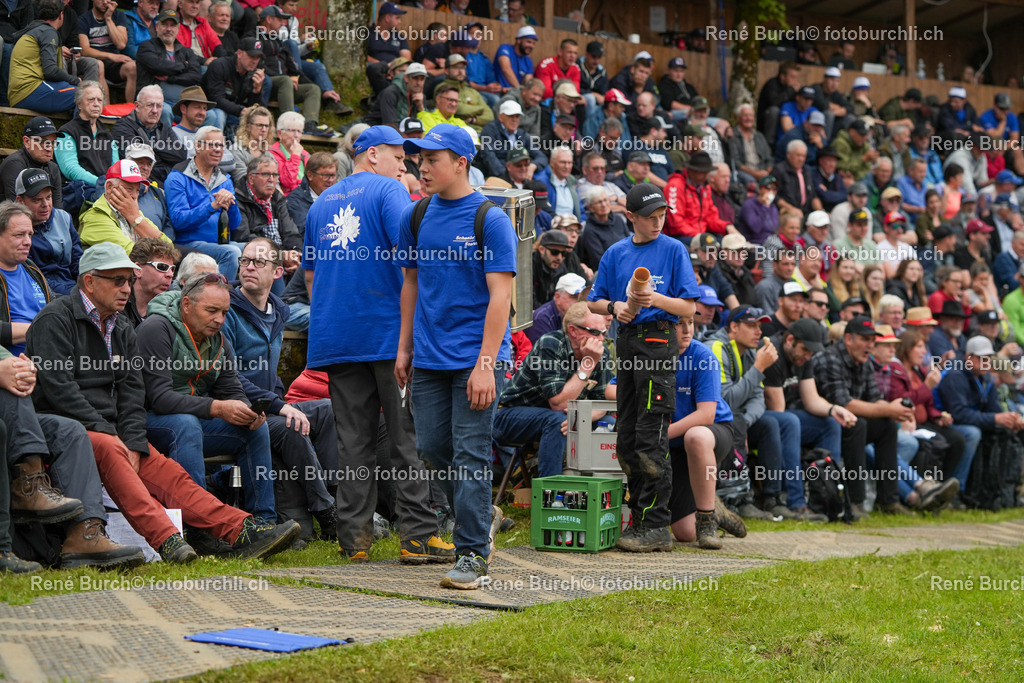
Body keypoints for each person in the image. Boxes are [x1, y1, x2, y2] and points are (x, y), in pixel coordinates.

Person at [27, 242, 300, 561]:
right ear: (89, 281)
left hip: (111, 431)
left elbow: (132, 393)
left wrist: (132, 439)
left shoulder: (121, 326)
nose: (126, 289)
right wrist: (115, 436)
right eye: (118, 280)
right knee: (128, 444)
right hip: (66, 428)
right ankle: (169, 540)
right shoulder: (55, 319)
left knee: (169, 474)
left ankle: (242, 529)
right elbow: (61, 392)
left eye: (129, 280)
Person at [303, 126, 452, 558]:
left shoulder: (320, 204)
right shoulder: (389, 193)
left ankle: (355, 542)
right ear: (372, 155)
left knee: (354, 442)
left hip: (336, 337)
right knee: (408, 436)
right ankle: (419, 538)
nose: (405, 165)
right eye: (399, 157)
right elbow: (414, 257)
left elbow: (311, 277)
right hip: (388, 336)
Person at [395, 124, 515, 588]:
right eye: (419, 159)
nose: (422, 167)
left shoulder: (491, 219)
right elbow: (411, 283)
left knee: (469, 454)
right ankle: (480, 513)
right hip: (427, 357)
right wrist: (404, 347)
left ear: (461, 162)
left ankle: (471, 554)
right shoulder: (417, 215)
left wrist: (486, 364)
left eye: (433, 159)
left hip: (476, 359)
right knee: (431, 449)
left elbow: (500, 299)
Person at [587, 183, 701, 551]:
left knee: (652, 436)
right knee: (628, 437)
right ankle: (637, 519)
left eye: (662, 216)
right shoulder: (615, 253)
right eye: (650, 217)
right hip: (626, 340)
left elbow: (688, 308)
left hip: (658, 340)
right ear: (631, 217)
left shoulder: (674, 249)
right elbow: (593, 302)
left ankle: (655, 525)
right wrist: (613, 308)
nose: (657, 223)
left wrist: (657, 298)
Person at [221, 238, 338, 539]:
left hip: (270, 405)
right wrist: (278, 404)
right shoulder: (227, 311)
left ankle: (338, 495)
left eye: (258, 262)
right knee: (290, 425)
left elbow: (268, 370)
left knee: (327, 410)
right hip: (238, 409)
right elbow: (228, 376)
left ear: (277, 272)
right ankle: (326, 512)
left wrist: (280, 399)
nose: (248, 267)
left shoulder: (280, 311)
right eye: (245, 261)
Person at [138, 272, 277, 522]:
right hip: (148, 421)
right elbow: (159, 398)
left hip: (192, 419)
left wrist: (247, 411)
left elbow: (231, 389)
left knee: (256, 429)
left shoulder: (219, 340)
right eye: (211, 310)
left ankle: (263, 522)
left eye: (224, 313)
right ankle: (202, 524)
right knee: (186, 424)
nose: (219, 320)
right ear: (187, 305)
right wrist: (217, 408)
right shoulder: (156, 328)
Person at [494, 301, 611, 477]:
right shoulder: (551, 343)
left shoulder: (600, 351)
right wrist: (588, 364)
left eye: (603, 333)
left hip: (560, 416)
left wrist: (582, 417)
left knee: (609, 421)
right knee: (557, 421)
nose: (600, 340)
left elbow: (604, 401)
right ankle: (551, 495)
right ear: (573, 330)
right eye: (594, 332)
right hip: (509, 417)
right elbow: (558, 403)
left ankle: (596, 486)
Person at [814, 315, 912, 518]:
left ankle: (889, 501)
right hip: (824, 422)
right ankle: (856, 502)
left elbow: (875, 399)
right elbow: (844, 403)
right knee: (858, 425)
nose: (870, 345)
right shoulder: (829, 358)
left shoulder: (864, 360)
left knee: (886, 425)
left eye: (872, 340)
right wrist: (888, 410)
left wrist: (898, 410)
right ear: (848, 339)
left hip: (849, 420)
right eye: (865, 339)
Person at [937, 335, 1024, 497]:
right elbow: (959, 414)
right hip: (942, 422)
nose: (986, 362)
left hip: (967, 420)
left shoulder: (986, 377)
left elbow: (994, 409)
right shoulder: (955, 376)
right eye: (982, 358)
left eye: (989, 358)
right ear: (968, 357)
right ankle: (957, 491)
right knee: (972, 433)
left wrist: (1011, 418)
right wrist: (995, 419)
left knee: (1014, 428)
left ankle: (1009, 489)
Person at [165, 126, 242, 279]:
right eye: (212, 145)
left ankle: (280, 301)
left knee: (263, 251)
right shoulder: (177, 177)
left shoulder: (225, 179)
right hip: (189, 243)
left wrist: (231, 205)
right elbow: (179, 221)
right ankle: (221, 299)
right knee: (231, 253)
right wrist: (212, 206)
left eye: (220, 145)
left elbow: (234, 225)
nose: (218, 150)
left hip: (220, 242)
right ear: (198, 146)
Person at [6, 0, 85, 113]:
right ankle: (78, 131)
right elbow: (50, 71)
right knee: (84, 95)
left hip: (21, 92)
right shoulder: (47, 32)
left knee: (77, 92)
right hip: (29, 90)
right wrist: (75, 80)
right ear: (61, 15)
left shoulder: (36, 29)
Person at [79, 160, 171, 255]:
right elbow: (135, 256)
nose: (134, 196)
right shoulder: (95, 219)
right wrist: (135, 218)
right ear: (109, 187)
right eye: (129, 189)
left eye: (138, 190)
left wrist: (136, 218)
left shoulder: (134, 214)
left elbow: (169, 249)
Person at [234, 155, 302, 280]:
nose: (271, 180)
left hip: (283, 257)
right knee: (271, 266)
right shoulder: (238, 198)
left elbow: (291, 232)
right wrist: (279, 256)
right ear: (251, 178)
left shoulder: (277, 198)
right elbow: (243, 236)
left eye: (275, 175)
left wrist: (295, 254)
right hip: (259, 259)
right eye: (266, 174)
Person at [258, 6, 325, 135]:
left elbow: (292, 64)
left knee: (313, 89)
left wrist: (295, 76)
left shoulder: (279, 41)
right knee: (285, 80)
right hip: (266, 82)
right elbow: (256, 64)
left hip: (285, 85)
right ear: (268, 19)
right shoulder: (255, 37)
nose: (282, 24)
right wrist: (285, 78)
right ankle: (289, 124)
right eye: (279, 20)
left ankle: (310, 124)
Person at [18, 169, 80, 296]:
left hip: (73, 286)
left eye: (49, 197)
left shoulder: (64, 218)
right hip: (41, 293)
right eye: (37, 200)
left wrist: (88, 286)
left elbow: (78, 261)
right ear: (20, 201)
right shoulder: (13, 229)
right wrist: (76, 294)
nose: (45, 204)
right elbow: (33, 277)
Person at [135, 8, 205, 122]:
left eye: (172, 25)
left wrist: (171, 78)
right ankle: (165, 140)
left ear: (178, 29)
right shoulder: (146, 47)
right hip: (156, 103)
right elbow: (157, 66)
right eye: (164, 25)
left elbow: (196, 76)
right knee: (164, 111)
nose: (168, 29)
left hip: (185, 104)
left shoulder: (186, 52)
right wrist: (184, 66)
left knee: (211, 116)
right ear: (157, 27)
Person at [111, 85, 187, 185]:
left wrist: (150, 145)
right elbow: (136, 157)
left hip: (165, 184)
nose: (155, 111)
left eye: (159, 106)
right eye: (150, 105)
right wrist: (165, 156)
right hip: (137, 184)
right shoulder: (122, 126)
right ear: (137, 106)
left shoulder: (164, 127)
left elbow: (181, 154)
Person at [55, 82, 118, 199]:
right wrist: (101, 183)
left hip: (106, 189)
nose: (96, 104)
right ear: (79, 104)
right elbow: (70, 169)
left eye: (99, 100)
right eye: (91, 99)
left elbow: (115, 169)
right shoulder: (67, 132)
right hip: (80, 191)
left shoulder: (108, 135)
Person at [664, 152, 735, 239]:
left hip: (700, 235)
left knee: (728, 245)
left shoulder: (705, 187)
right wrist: (699, 236)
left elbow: (711, 217)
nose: (706, 176)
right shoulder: (675, 186)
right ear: (692, 171)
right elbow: (675, 224)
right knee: (712, 247)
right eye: (703, 172)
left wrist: (726, 227)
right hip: (679, 237)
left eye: (707, 172)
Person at [201, 38, 266, 131]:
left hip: (233, 112)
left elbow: (255, 108)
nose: (254, 61)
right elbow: (216, 99)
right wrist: (241, 110)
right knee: (220, 115)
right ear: (239, 53)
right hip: (208, 109)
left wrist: (257, 91)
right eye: (251, 56)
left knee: (255, 122)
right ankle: (215, 144)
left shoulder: (254, 73)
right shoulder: (219, 65)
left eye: (258, 57)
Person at [78, 0, 137, 101]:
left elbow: (121, 44)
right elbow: (85, 50)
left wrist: (108, 19)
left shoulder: (119, 15)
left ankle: (131, 110)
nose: (105, 2)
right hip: (95, 61)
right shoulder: (83, 19)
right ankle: (106, 112)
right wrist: (110, 56)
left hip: (114, 64)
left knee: (132, 67)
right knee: (99, 65)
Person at [0, 117, 64, 209]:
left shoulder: (53, 168)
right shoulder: (14, 164)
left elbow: (58, 209)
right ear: (27, 142)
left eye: (53, 142)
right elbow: (17, 210)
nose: (49, 148)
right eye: (43, 142)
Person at [476, 100, 546, 179]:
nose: (514, 119)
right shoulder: (489, 131)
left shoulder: (521, 134)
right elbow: (489, 158)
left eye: (517, 116)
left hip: (518, 177)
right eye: (511, 116)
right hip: (495, 178)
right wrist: (508, 178)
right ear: (500, 117)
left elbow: (541, 157)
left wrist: (533, 166)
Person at [123, 237, 179, 326]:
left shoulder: (174, 307)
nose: (170, 274)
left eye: (172, 269)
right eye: (162, 267)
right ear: (138, 269)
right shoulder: (118, 302)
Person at [579, 187, 630, 272]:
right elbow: (601, 261)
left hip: (628, 263)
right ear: (590, 208)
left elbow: (631, 244)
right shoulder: (590, 230)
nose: (604, 204)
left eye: (605, 200)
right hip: (609, 272)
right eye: (599, 202)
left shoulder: (618, 220)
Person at [527, 273, 586, 343]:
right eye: (573, 297)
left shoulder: (579, 316)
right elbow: (545, 351)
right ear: (557, 296)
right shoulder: (541, 319)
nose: (578, 302)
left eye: (580, 298)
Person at [286, 152, 337, 232]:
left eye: (333, 176)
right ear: (310, 175)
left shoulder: (340, 197)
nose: (330, 180)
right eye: (326, 176)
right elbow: (304, 231)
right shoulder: (295, 200)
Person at [365, 62, 427, 127]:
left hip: (402, 133)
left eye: (422, 79)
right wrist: (406, 137)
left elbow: (425, 127)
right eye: (415, 78)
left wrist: (420, 107)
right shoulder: (391, 92)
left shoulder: (421, 97)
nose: (418, 83)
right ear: (406, 78)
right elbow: (390, 124)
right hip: (372, 128)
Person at [772, 140, 822, 217]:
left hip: (805, 213)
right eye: (798, 155)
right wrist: (791, 209)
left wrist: (821, 212)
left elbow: (813, 196)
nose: (801, 159)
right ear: (788, 154)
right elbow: (773, 194)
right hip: (786, 213)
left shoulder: (806, 171)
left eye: (803, 156)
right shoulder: (779, 170)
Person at [230, 105, 276, 188]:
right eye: (260, 125)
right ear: (248, 127)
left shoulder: (269, 155)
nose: (264, 129)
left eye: (267, 126)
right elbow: (243, 181)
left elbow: (276, 185)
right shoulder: (237, 150)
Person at [737, 175, 780, 245]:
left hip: (771, 242)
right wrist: (765, 207)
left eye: (774, 188)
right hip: (754, 243)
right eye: (768, 187)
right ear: (760, 189)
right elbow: (755, 228)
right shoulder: (749, 205)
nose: (771, 191)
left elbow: (774, 229)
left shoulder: (773, 207)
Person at [493, 25, 536, 90]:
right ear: (519, 40)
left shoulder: (528, 60)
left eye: (533, 43)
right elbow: (506, 69)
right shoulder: (505, 48)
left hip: (514, 93)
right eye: (529, 42)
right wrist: (519, 90)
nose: (531, 46)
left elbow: (528, 82)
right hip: (498, 91)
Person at [755, 249, 796, 314]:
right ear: (774, 265)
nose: (790, 268)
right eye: (785, 264)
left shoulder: (794, 284)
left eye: (793, 264)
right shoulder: (765, 287)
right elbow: (768, 317)